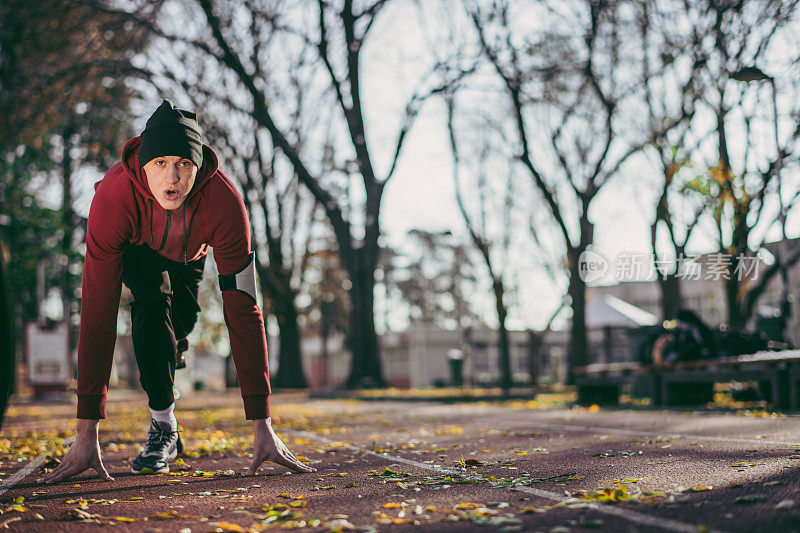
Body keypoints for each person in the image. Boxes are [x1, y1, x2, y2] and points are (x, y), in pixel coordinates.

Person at [39, 100, 313, 483]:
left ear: (198, 166)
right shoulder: (113, 199)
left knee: (179, 324)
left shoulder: (225, 203)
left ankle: (173, 349)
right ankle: (163, 424)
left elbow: (244, 308)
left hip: (189, 255)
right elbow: (98, 311)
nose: (172, 178)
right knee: (152, 307)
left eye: (184, 164)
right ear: (143, 164)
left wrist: (262, 423)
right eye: (160, 163)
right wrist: (86, 432)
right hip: (138, 249)